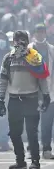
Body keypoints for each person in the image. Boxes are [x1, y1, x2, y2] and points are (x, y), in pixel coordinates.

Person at [0, 30, 51, 169]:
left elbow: (42, 78)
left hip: (31, 99)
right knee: (15, 133)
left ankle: (35, 162)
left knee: (32, 132)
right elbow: (3, 80)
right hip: (14, 100)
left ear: (27, 41)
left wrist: (46, 95)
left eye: (23, 39)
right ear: (13, 42)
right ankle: (20, 161)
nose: (20, 42)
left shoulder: (34, 57)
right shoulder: (8, 58)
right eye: (18, 39)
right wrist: (0, 99)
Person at [29, 24, 54, 159]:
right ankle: (31, 149)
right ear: (34, 33)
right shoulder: (28, 50)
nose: (40, 34)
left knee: (47, 122)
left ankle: (46, 149)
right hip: (31, 90)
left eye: (42, 32)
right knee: (31, 121)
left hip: (48, 91)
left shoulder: (51, 50)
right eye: (38, 32)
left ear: (45, 33)